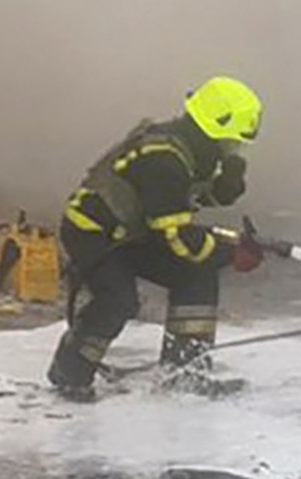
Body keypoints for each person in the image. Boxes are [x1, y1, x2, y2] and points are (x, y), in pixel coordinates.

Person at [46, 77, 268, 400]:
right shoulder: (164, 160)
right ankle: (69, 374)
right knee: (118, 299)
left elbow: (189, 200)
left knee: (197, 276)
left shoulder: (187, 149)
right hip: (94, 234)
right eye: (232, 142)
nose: (233, 149)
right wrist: (229, 253)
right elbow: (178, 240)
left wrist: (227, 185)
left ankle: (185, 376)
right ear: (214, 131)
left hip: (134, 234)